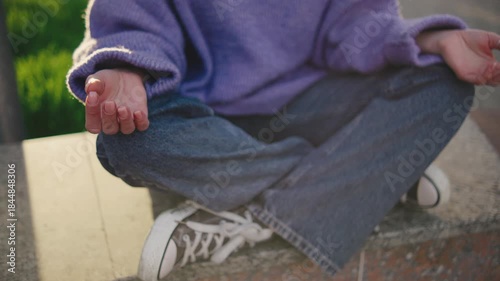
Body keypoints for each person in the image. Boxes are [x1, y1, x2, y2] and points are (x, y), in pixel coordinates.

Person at [66, 0, 500, 280]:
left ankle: (257, 208)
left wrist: (435, 39)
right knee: (125, 142)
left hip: (308, 104)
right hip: (200, 120)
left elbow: (359, 27)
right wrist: (125, 68)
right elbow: (131, 23)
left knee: (443, 84)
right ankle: (364, 172)